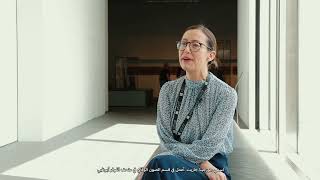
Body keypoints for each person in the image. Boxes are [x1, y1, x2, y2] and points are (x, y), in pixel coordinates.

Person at [140, 24, 237, 180]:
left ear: (210, 55)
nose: (186, 49)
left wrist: (205, 163)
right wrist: (202, 163)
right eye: (183, 44)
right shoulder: (167, 90)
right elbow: (165, 138)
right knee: (161, 164)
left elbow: (209, 146)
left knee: (159, 164)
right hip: (176, 159)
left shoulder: (226, 94)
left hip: (213, 166)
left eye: (195, 45)